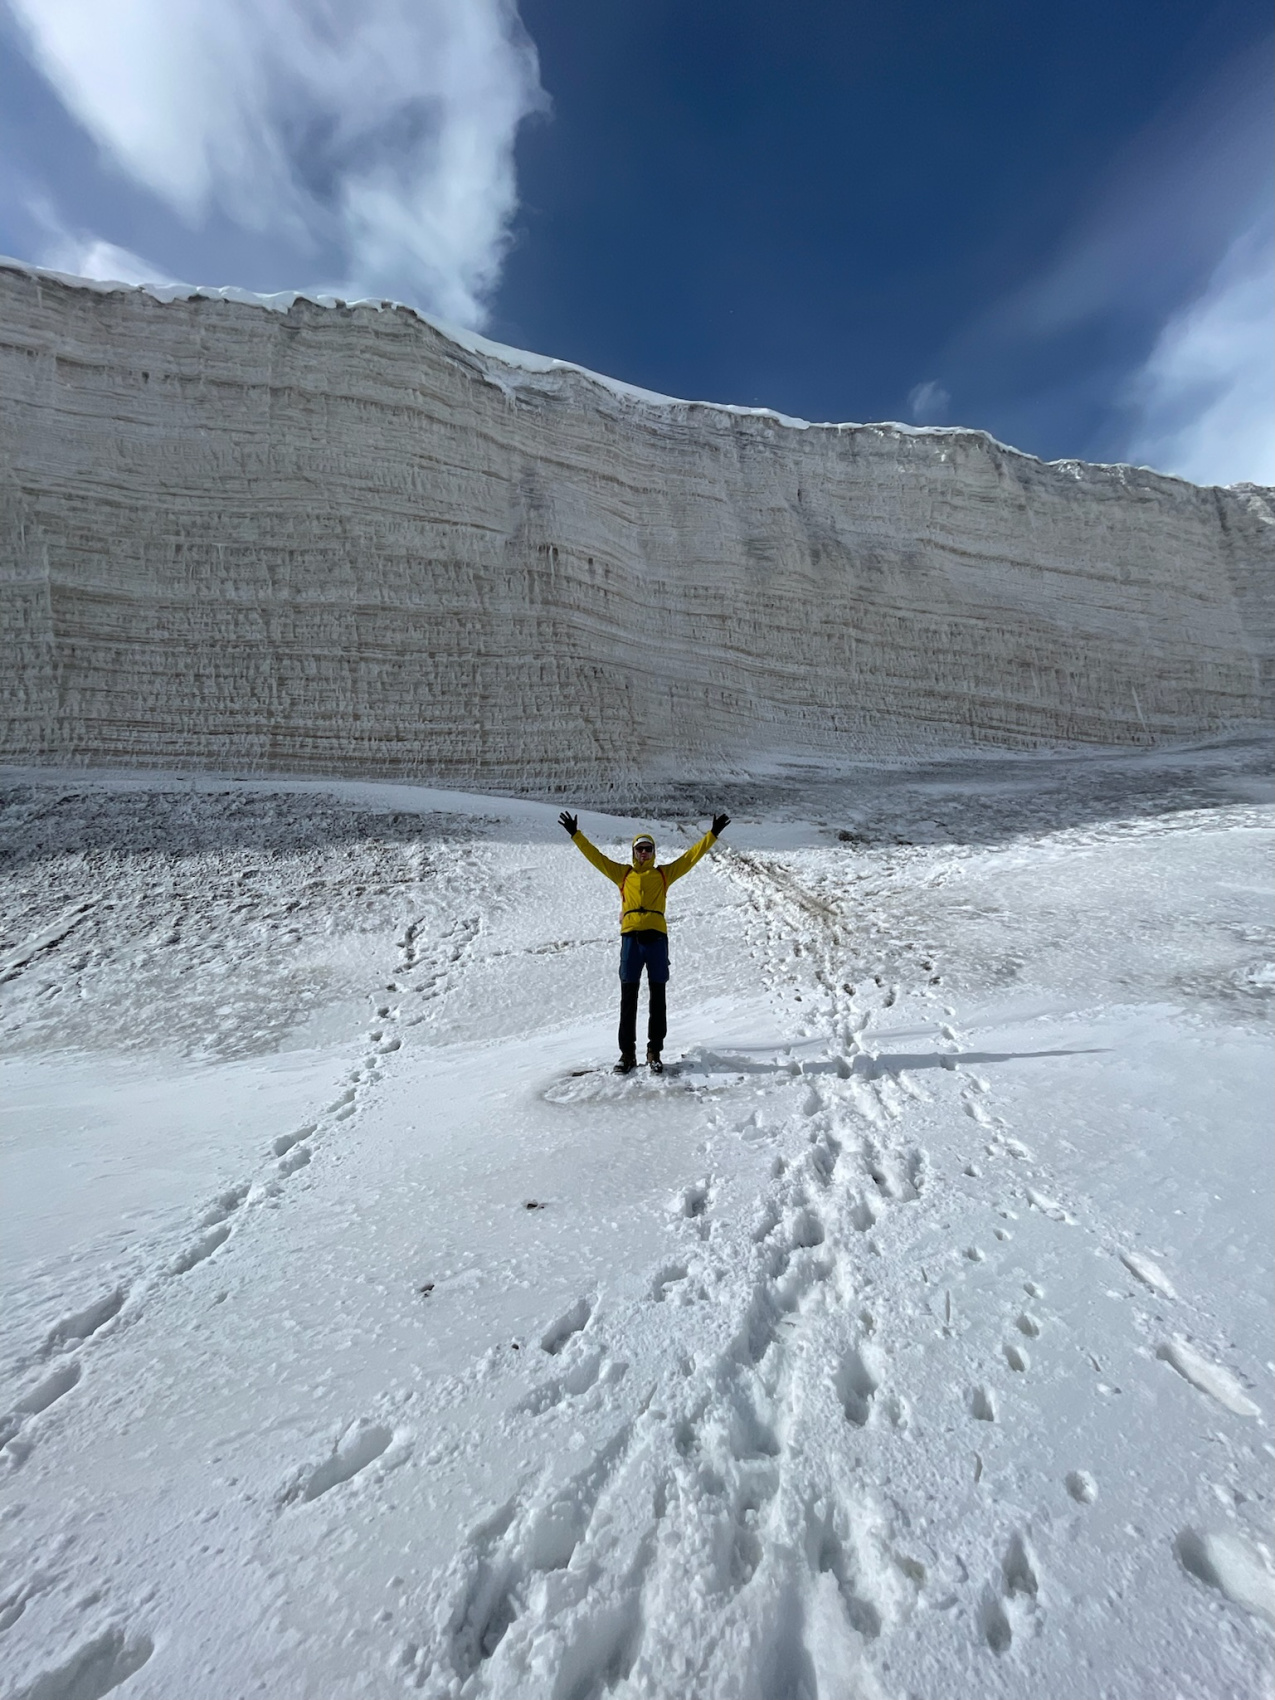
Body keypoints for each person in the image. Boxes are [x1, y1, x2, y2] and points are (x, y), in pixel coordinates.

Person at [558, 811, 730, 1074]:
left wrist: (713, 834)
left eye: (648, 849)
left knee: (657, 998)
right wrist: (575, 835)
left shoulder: (663, 875)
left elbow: (690, 858)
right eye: (639, 849)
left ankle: (654, 1052)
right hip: (631, 941)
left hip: (657, 940)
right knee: (628, 999)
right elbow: (596, 858)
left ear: (654, 852)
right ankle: (627, 1055)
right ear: (633, 852)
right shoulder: (623, 875)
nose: (644, 853)